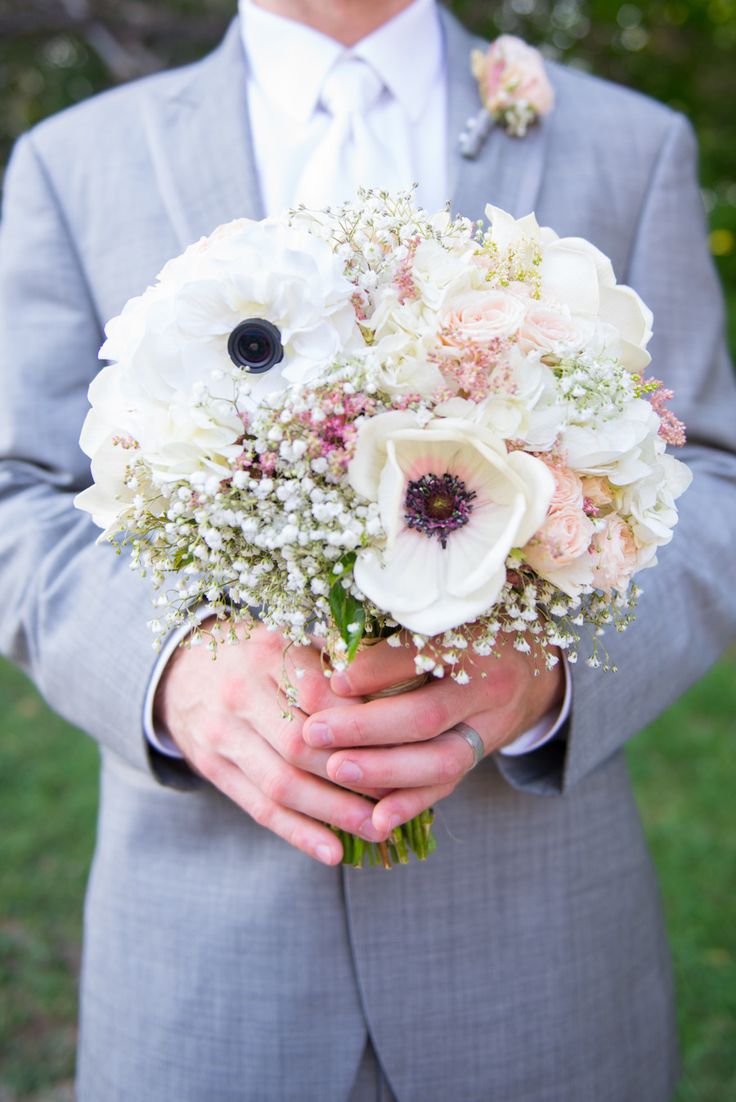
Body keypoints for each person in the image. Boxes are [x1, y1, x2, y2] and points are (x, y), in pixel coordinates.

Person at [0, 0, 735, 1099]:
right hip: (201, 978)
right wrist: (176, 673)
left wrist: (547, 672)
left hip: (539, 972)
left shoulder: (628, 144)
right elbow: (19, 488)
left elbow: (713, 472)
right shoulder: (75, 161)